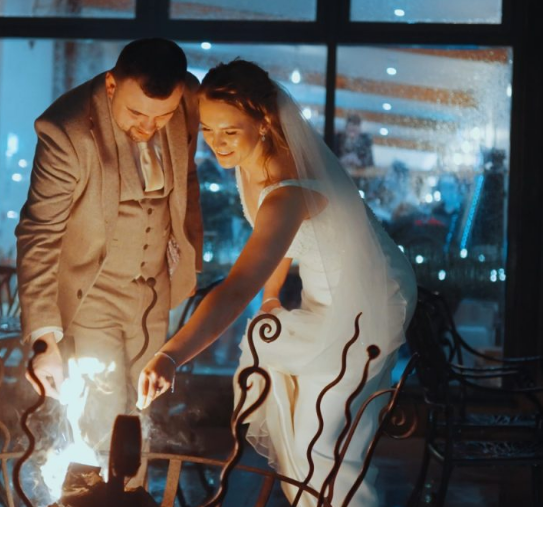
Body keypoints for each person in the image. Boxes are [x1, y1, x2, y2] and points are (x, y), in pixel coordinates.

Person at [137, 60, 415, 548]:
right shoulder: (255, 163)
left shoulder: (290, 187)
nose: (217, 142)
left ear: (264, 122)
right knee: (299, 438)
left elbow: (238, 284)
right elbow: (282, 251)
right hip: (323, 296)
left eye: (230, 130)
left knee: (321, 441)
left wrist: (171, 354)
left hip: (368, 302)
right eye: (207, 129)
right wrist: (271, 300)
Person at [16, 38, 203, 462]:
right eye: (137, 113)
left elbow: (188, 179)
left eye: (163, 115)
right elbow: (39, 233)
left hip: (155, 292)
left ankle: (134, 509)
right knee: (99, 420)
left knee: (141, 419)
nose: (149, 126)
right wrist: (45, 340)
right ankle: (95, 515)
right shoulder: (65, 131)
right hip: (93, 293)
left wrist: (186, 244)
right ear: (111, 85)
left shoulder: (187, 99)